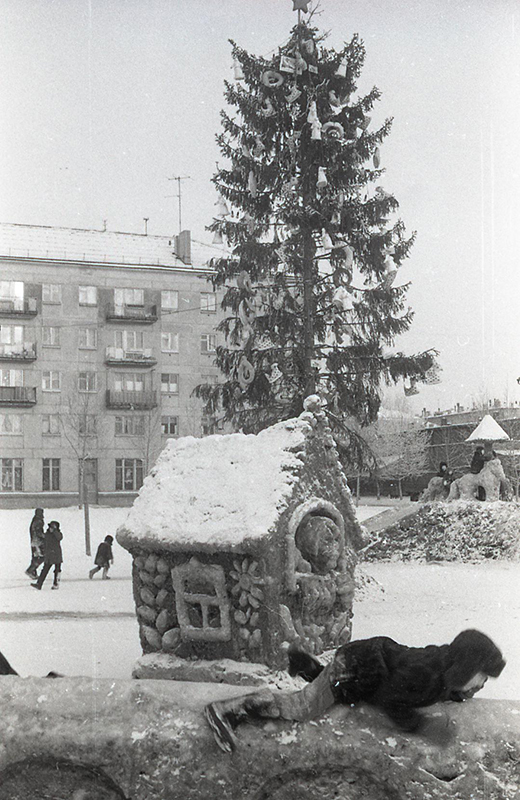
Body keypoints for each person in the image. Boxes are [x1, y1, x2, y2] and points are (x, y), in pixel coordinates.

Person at [204, 629, 506, 753]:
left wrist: (456, 692)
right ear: (464, 668)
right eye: (480, 677)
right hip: (356, 666)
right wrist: (423, 726)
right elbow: (390, 700)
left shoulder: (443, 666)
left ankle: (303, 664)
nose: (480, 686)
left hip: (366, 666)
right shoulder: (425, 676)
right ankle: (228, 710)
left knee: (337, 691)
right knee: (304, 707)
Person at [31, 520, 63, 590]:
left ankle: (56, 584)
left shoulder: (58, 534)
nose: (50, 528)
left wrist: (54, 532)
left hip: (56, 554)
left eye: (52, 527)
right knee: (45, 570)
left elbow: (59, 537)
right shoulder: (48, 534)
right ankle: (39, 584)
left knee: (57, 570)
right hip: (49, 555)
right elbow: (44, 538)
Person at [25, 508, 45, 579]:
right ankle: (31, 570)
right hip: (38, 542)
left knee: (35, 557)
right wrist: (45, 536)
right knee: (41, 556)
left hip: (34, 541)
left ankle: (33, 572)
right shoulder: (38, 521)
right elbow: (38, 532)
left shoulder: (35, 520)